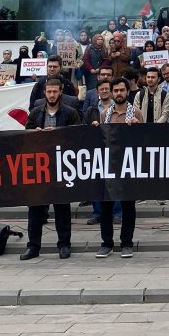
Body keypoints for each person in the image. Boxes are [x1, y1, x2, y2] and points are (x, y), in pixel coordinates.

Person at [19, 78, 81, 260]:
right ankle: (33, 246)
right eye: (49, 92)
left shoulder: (70, 113)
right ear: (44, 93)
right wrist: (36, 134)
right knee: (35, 209)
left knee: (62, 208)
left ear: (60, 92)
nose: (52, 95)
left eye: (55, 92)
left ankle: (64, 244)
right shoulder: (36, 113)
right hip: (39, 166)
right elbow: (25, 135)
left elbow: (77, 136)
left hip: (61, 166)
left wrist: (58, 135)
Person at [88, 78, 141, 258]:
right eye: (116, 90)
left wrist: (137, 127)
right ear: (111, 92)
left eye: (122, 90)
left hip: (129, 165)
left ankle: (126, 243)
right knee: (106, 206)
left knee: (128, 206)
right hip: (108, 165)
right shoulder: (105, 115)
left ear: (127, 92)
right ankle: (106, 243)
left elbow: (145, 140)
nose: (119, 93)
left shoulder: (137, 113)